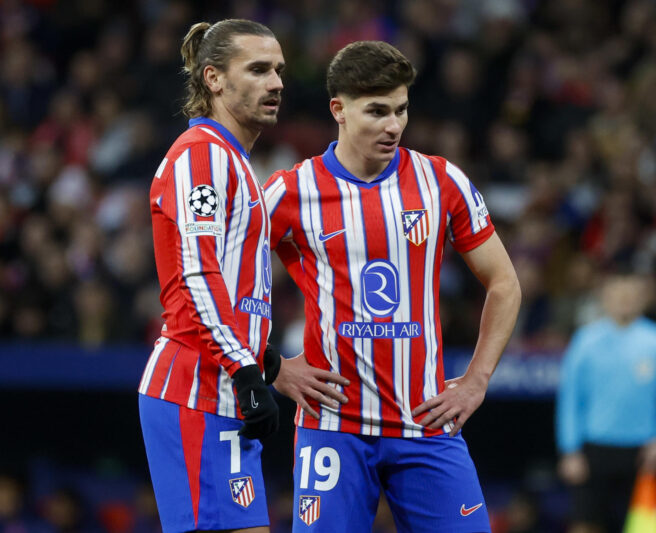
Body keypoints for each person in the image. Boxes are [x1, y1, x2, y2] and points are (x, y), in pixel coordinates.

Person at [263, 41, 521, 532]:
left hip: (425, 424)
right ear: (338, 109)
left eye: (401, 109)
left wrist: (476, 380)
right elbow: (222, 286)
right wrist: (272, 366)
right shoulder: (289, 192)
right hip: (334, 428)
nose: (394, 125)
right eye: (377, 111)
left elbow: (504, 284)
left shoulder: (440, 181)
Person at [138, 19, 346, 533]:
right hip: (195, 389)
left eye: (277, 70)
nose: (276, 82)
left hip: (225, 384)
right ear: (213, 78)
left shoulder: (232, 161)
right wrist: (248, 371)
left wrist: (266, 364)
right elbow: (196, 275)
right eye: (257, 69)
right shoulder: (201, 157)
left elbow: (230, 291)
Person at [556, 271, 656, 533]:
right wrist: (570, 449)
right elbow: (570, 399)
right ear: (604, 297)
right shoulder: (585, 341)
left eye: (631, 294)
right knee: (585, 525)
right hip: (594, 450)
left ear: (643, 298)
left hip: (644, 453)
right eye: (618, 294)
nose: (624, 300)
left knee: (645, 527)